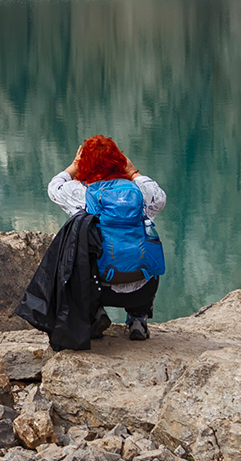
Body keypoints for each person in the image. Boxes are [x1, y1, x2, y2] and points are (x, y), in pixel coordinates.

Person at [47, 135, 166, 340]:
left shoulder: (80, 192)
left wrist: (73, 168)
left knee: (78, 251)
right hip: (141, 284)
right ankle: (138, 319)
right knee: (146, 247)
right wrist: (132, 172)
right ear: (120, 160)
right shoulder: (140, 192)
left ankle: (95, 314)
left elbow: (54, 188)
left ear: (84, 164)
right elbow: (159, 197)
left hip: (98, 285)